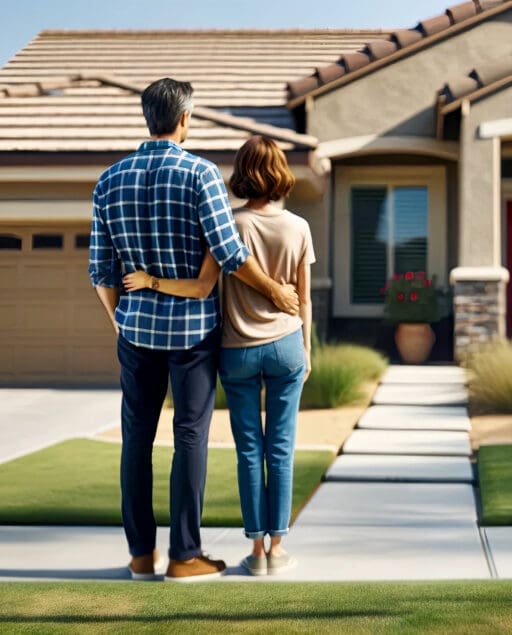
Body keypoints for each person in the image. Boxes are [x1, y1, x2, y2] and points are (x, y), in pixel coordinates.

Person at [89, 78, 300, 582]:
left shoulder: (109, 180)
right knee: (190, 437)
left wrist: (121, 319)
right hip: (191, 336)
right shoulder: (201, 173)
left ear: (148, 118)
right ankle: (185, 556)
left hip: (135, 333)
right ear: (184, 119)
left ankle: (142, 556)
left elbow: (100, 272)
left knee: (135, 439)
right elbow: (230, 256)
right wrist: (276, 291)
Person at [124, 135, 313, 576]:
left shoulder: (229, 223)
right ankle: (278, 548)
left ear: (243, 174)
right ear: (282, 174)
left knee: (249, 450)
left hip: (237, 349)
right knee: (280, 449)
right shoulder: (300, 227)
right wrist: (305, 350)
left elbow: (212, 281)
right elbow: (303, 299)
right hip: (286, 345)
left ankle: (256, 553)